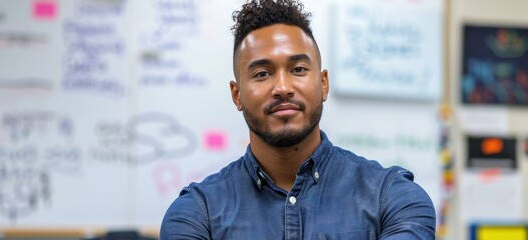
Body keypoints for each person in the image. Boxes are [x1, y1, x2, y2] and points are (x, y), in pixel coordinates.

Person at [160, 0, 436, 239]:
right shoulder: (197, 214)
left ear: (323, 83)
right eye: (261, 74)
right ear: (237, 95)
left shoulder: (394, 199)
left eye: (299, 69)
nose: (282, 87)